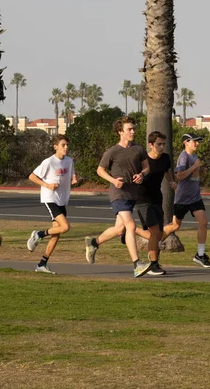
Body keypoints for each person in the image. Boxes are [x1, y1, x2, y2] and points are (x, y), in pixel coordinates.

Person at [84, 116, 153, 278]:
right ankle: (137, 264)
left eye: (134, 128)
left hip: (132, 193)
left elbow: (147, 168)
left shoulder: (139, 149)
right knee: (130, 226)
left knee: (119, 229)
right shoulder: (112, 151)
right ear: (120, 132)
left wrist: (142, 175)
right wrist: (113, 180)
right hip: (118, 194)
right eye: (129, 129)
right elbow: (100, 170)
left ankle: (94, 243)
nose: (133, 131)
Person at [160, 132, 210, 268]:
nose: (197, 143)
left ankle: (200, 255)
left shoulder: (194, 156)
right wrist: (194, 167)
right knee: (175, 226)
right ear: (186, 142)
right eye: (194, 141)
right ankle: (156, 242)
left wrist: (202, 169)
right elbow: (179, 175)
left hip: (195, 197)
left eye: (197, 141)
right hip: (183, 198)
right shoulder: (183, 158)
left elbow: (195, 175)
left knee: (203, 222)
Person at [27, 134, 77, 274]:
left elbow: (71, 175)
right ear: (55, 147)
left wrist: (74, 179)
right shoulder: (49, 162)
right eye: (63, 145)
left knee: (57, 233)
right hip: (50, 198)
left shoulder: (69, 161)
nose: (66, 147)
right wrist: (47, 185)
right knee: (65, 227)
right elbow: (32, 176)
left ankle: (42, 264)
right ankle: (39, 234)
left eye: (67, 145)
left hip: (62, 199)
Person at [132, 131, 176, 275]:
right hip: (142, 199)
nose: (162, 147)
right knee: (155, 232)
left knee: (158, 233)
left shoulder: (165, 158)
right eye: (159, 144)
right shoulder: (143, 160)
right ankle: (153, 264)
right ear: (150, 145)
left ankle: (154, 262)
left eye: (164, 144)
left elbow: (167, 171)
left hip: (157, 198)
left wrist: (171, 181)